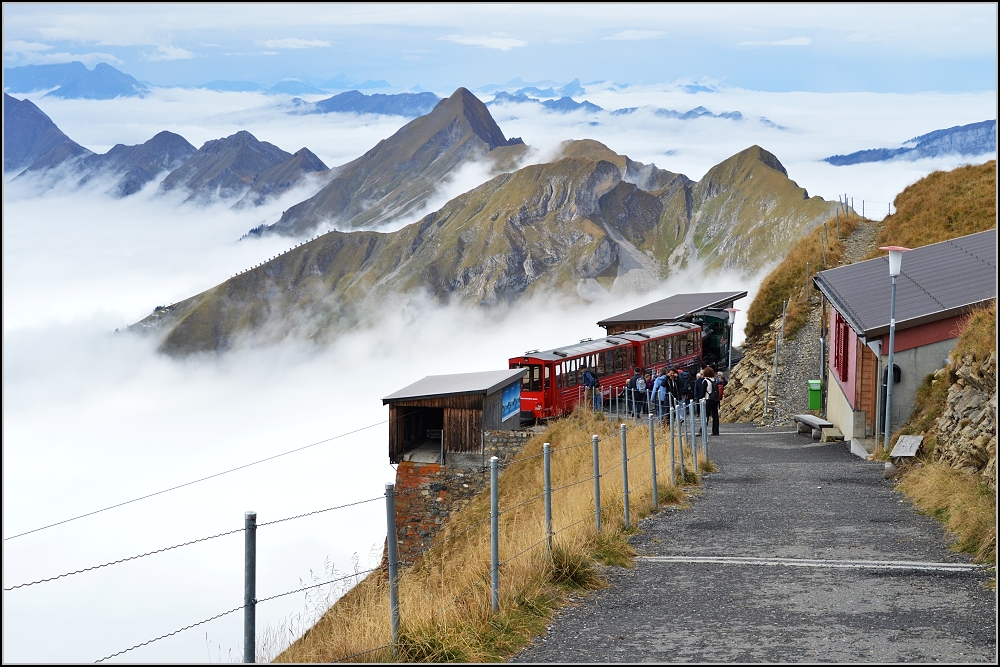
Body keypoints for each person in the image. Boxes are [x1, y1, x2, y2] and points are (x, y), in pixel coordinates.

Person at [702, 366, 721, 436]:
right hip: (715, 400)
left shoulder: (705, 381)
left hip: (708, 399)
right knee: (715, 415)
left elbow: (702, 392)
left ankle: (703, 430)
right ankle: (715, 431)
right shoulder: (715, 380)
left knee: (706, 415)